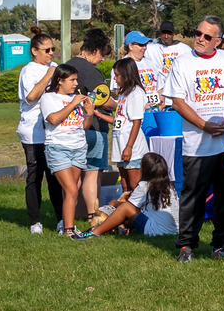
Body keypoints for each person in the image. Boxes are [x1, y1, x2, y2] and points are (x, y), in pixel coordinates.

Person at [165, 15, 224, 263]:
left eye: (207, 36)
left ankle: (222, 244)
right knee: (193, 197)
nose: (200, 39)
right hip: (196, 143)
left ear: (217, 40)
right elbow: (177, 101)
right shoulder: (183, 62)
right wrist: (203, 125)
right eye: (198, 33)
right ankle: (186, 246)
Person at [65, 28, 116, 218]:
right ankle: (91, 215)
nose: (103, 59)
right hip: (94, 128)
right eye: (103, 53)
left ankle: (68, 216)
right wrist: (119, 105)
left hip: (71, 128)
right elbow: (105, 100)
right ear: (95, 49)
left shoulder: (68, 65)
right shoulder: (91, 71)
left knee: (73, 175)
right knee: (93, 174)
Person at [40, 64, 95, 237]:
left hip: (78, 147)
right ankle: (69, 231)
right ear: (60, 80)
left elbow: (82, 128)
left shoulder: (76, 99)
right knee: (71, 190)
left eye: (76, 79)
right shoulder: (49, 98)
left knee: (71, 190)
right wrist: (72, 104)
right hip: (58, 147)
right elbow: (54, 119)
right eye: (72, 80)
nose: (75, 83)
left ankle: (66, 226)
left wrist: (89, 114)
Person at [17, 29, 63, 234]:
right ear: (35, 51)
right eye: (47, 49)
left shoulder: (54, 67)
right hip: (33, 132)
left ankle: (62, 219)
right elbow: (32, 96)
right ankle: (35, 221)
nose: (51, 53)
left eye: (53, 49)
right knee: (35, 177)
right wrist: (48, 75)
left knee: (56, 177)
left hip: (53, 132)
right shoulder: (29, 71)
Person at [90, 152, 179, 237]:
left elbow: (129, 206)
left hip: (157, 230)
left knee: (125, 208)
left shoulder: (145, 185)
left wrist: (115, 203)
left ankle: (95, 232)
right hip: (176, 230)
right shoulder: (169, 186)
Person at [110, 57, 148, 192]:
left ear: (127, 74)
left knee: (135, 185)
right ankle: (126, 212)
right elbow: (120, 121)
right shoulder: (123, 94)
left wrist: (129, 147)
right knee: (125, 186)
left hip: (132, 148)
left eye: (117, 75)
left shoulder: (136, 93)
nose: (114, 78)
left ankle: (139, 212)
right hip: (120, 145)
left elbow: (137, 121)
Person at [113, 30, 163, 114]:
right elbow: (118, 91)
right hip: (135, 111)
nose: (144, 47)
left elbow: (159, 86)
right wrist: (142, 103)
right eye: (141, 45)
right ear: (131, 46)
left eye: (145, 44)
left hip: (154, 110)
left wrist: (162, 102)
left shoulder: (150, 63)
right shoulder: (121, 65)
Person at [144, 20, 191, 97]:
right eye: (164, 33)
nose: (166, 36)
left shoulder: (184, 49)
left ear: (173, 34)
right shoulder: (152, 48)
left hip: (178, 92)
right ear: (160, 34)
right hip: (161, 93)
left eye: (169, 33)